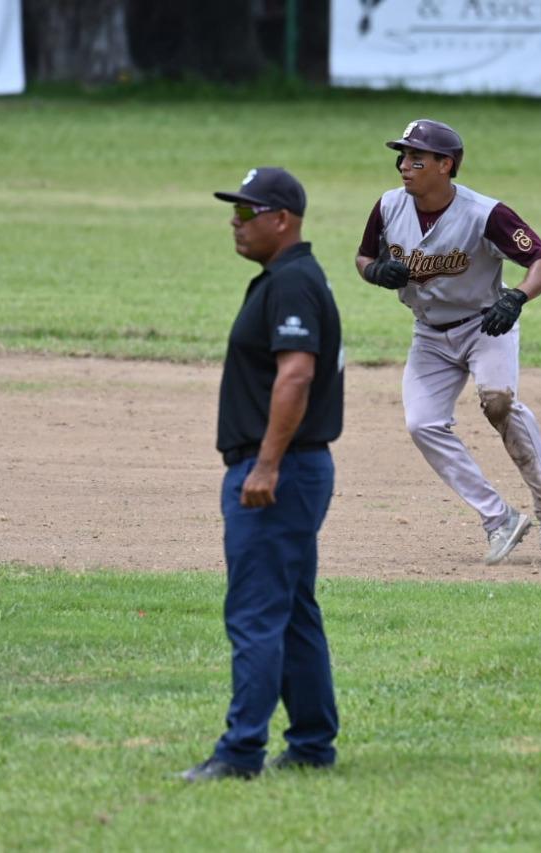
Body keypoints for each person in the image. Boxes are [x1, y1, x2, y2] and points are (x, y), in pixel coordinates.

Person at [178, 167, 344, 783]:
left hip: (280, 471)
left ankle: (240, 752)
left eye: (247, 212)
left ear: (282, 219)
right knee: (293, 608)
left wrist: (266, 463)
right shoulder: (286, 280)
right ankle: (311, 743)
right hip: (294, 468)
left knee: (255, 613)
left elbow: (296, 375)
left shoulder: (293, 284)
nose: (235, 222)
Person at [354, 119, 541, 566]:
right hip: (429, 335)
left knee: (498, 403)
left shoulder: (485, 213)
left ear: (445, 165)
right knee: (423, 424)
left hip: (486, 325)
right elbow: (363, 256)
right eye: (402, 156)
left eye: (416, 157)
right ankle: (499, 519)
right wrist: (374, 271)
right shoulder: (389, 206)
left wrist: (516, 298)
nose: (404, 166)